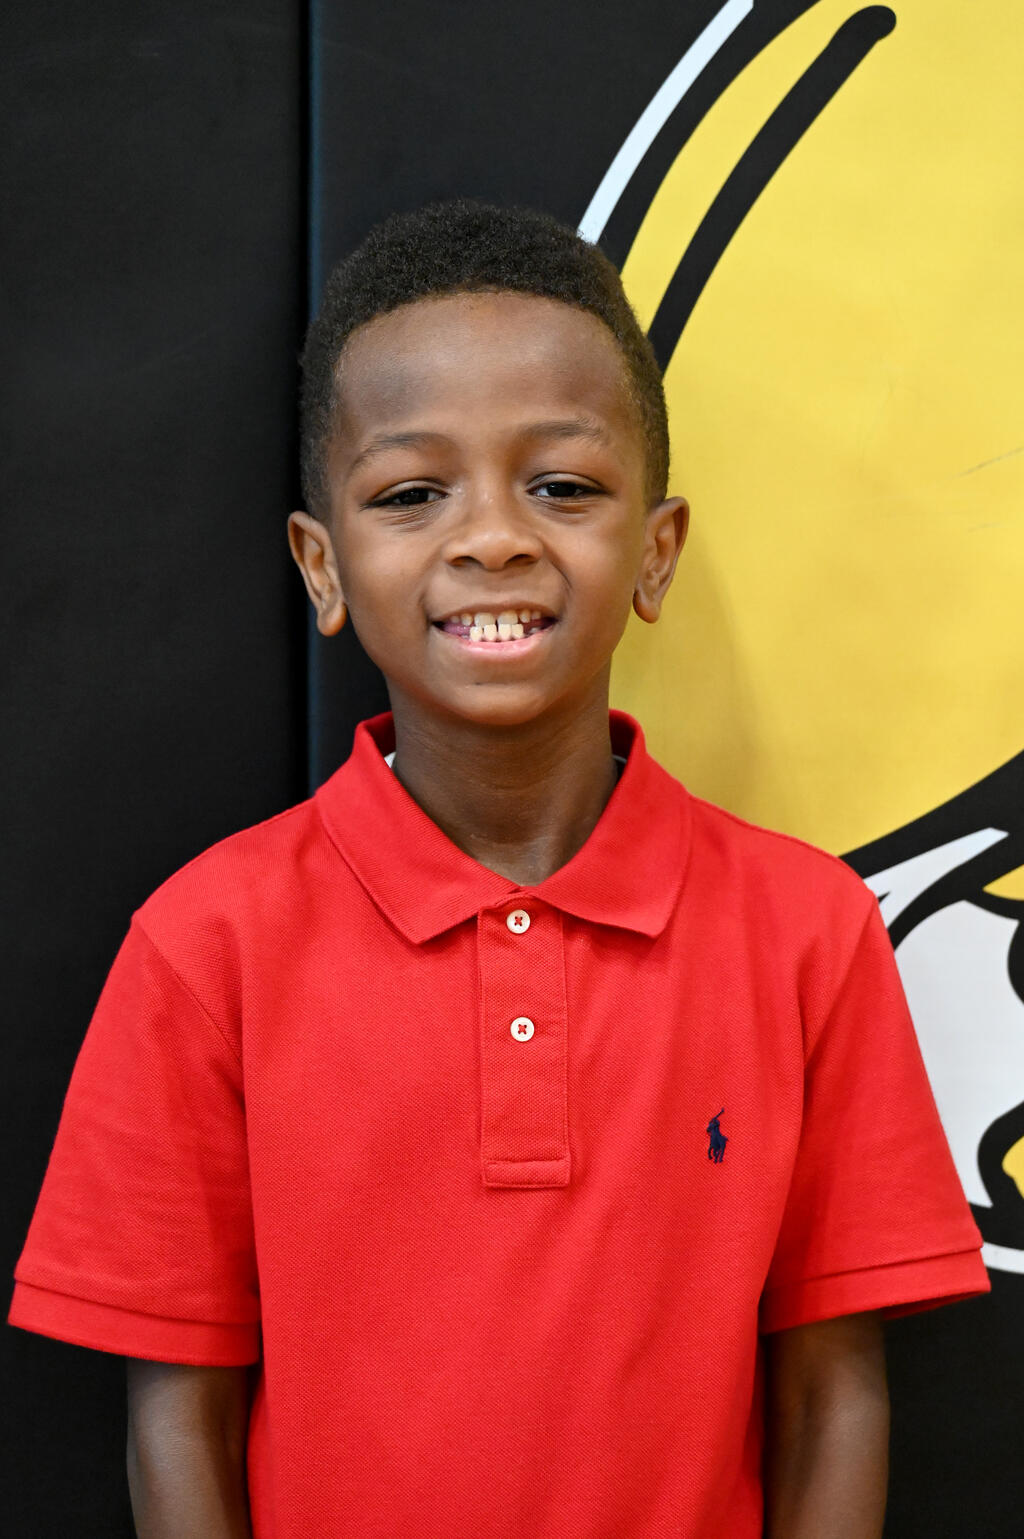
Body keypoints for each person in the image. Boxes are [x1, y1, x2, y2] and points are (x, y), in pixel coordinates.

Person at [8, 199, 989, 1539]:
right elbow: (179, 1419)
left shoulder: (807, 932)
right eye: (413, 493)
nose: (492, 539)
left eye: (562, 486)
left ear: (655, 551)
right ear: (322, 566)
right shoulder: (205, 945)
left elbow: (831, 1396)